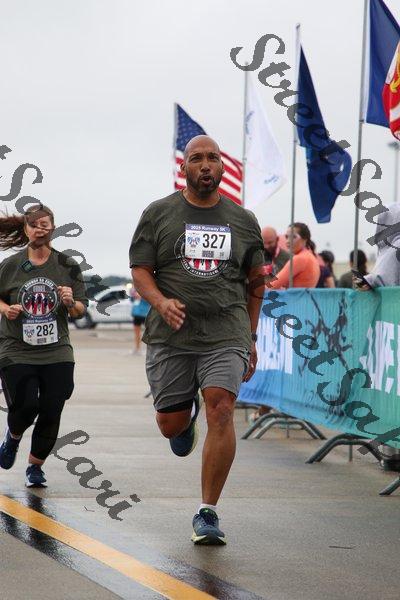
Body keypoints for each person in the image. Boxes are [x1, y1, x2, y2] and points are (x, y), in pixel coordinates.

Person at [129, 135, 265, 545]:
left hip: (226, 330)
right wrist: (160, 301)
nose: (206, 164)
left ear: (222, 167)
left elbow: (256, 282)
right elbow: (140, 270)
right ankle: (183, 421)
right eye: (197, 158)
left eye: (213, 158)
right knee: (169, 424)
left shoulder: (243, 221)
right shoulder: (158, 213)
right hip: (171, 335)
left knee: (221, 408)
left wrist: (251, 336)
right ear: (184, 167)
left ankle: (208, 512)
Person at [0, 204, 88, 487]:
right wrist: (6, 309)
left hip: (56, 350)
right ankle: (13, 437)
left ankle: (35, 467)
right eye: (34, 225)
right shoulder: (11, 265)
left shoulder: (67, 265)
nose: (39, 229)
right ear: (25, 229)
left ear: (53, 229)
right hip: (16, 348)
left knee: (52, 408)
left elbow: (80, 310)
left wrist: (70, 302)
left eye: (45, 225)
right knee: (26, 406)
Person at [268, 222, 320, 289]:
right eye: (287, 237)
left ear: (305, 240)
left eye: (293, 237)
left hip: (296, 296)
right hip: (305, 295)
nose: (288, 241)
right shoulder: (311, 257)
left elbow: (272, 285)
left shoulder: (299, 259)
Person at [130, 289, 150, 354]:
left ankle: (150, 349)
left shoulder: (146, 290)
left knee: (149, 333)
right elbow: (131, 300)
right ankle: (137, 348)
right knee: (137, 333)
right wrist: (133, 296)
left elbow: (150, 301)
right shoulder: (134, 290)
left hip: (145, 314)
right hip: (136, 314)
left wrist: (142, 297)